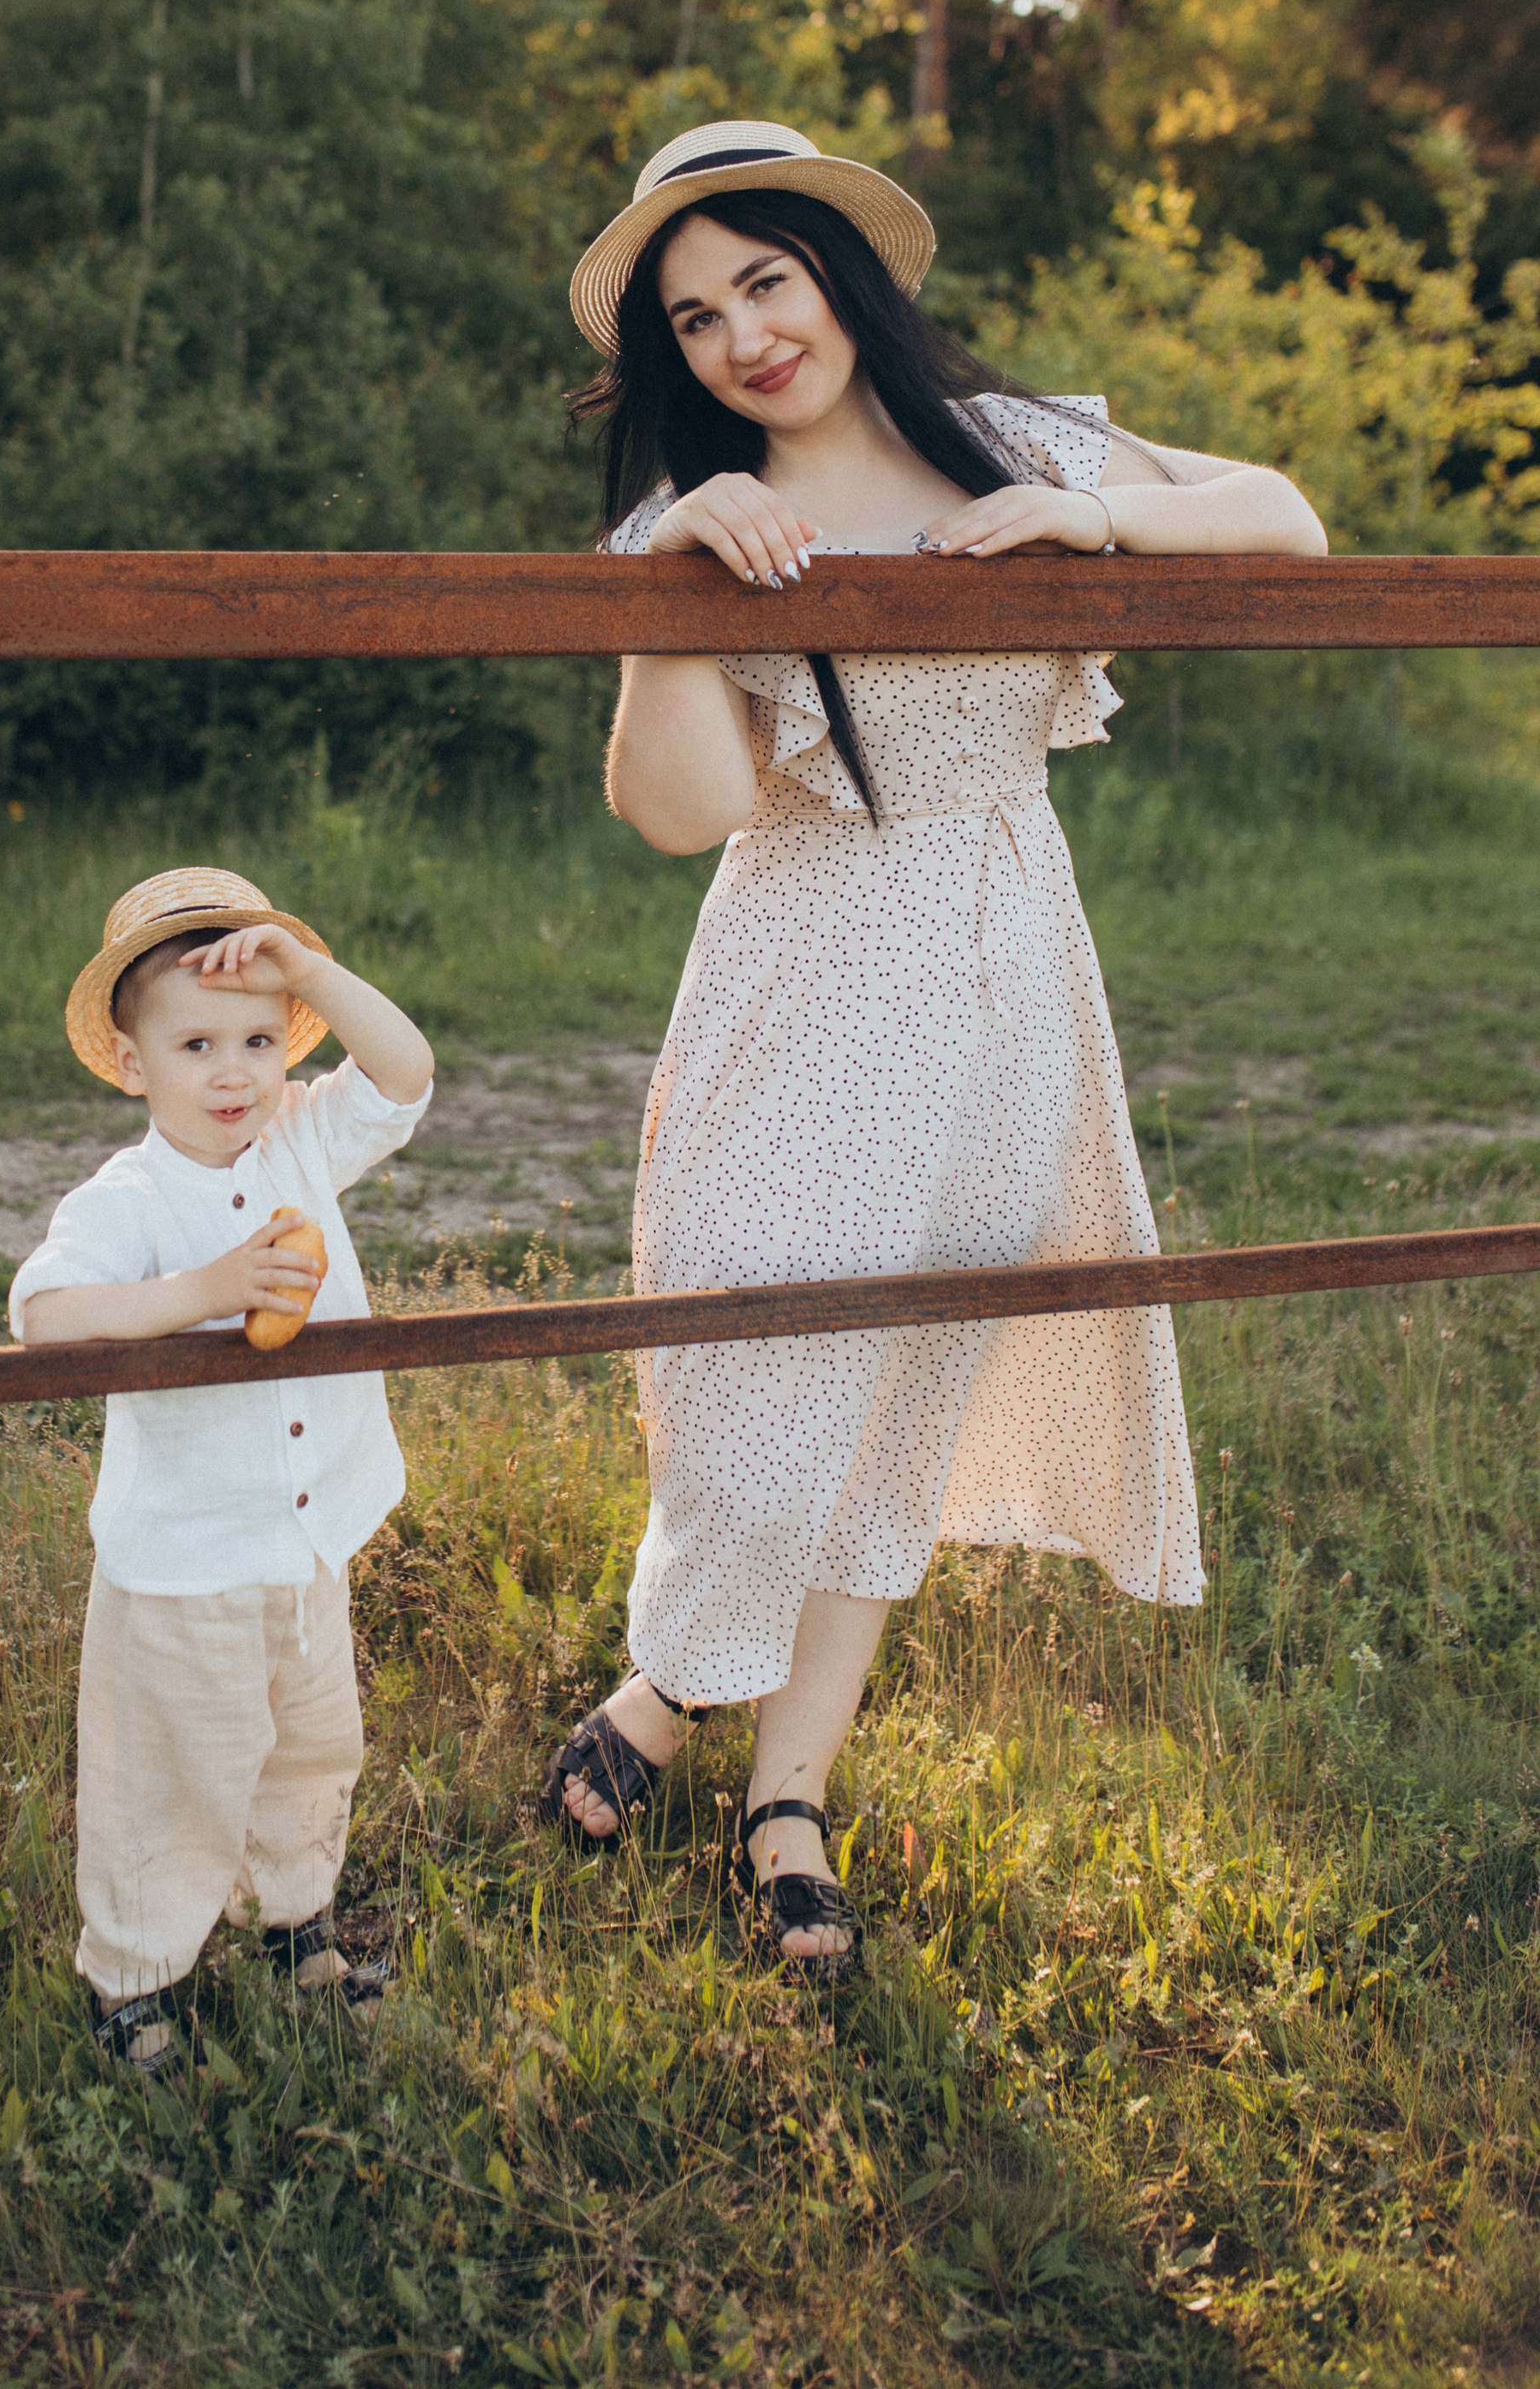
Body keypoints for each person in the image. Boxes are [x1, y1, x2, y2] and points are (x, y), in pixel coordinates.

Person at [538, 118, 1328, 1972]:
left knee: (898, 1382)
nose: (743, 333)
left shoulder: (1021, 444)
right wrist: (667, 594)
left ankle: (784, 1787)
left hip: (998, 962)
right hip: (803, 950)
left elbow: (1283, 517)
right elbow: (673, 812)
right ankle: (669, 1681)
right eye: (696, 313)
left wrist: (1096, 517)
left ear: (836, 278)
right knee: (739, 1347)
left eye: (765, 279)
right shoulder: (695, 521)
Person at [11, 863, 433, 2068]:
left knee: (310, 1743)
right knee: (173, 1769)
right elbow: (45, 1316)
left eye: (259, 1038)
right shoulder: (131, 1195)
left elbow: (405, 1074)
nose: (235, 1072)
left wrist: (311, 973)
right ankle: (131, 1979)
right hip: (186, 1559)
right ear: (134, 1063)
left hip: (306, 1539)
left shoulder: (302, 1140)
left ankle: (291, 1916)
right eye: (197, 1044)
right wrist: (203, 1293)